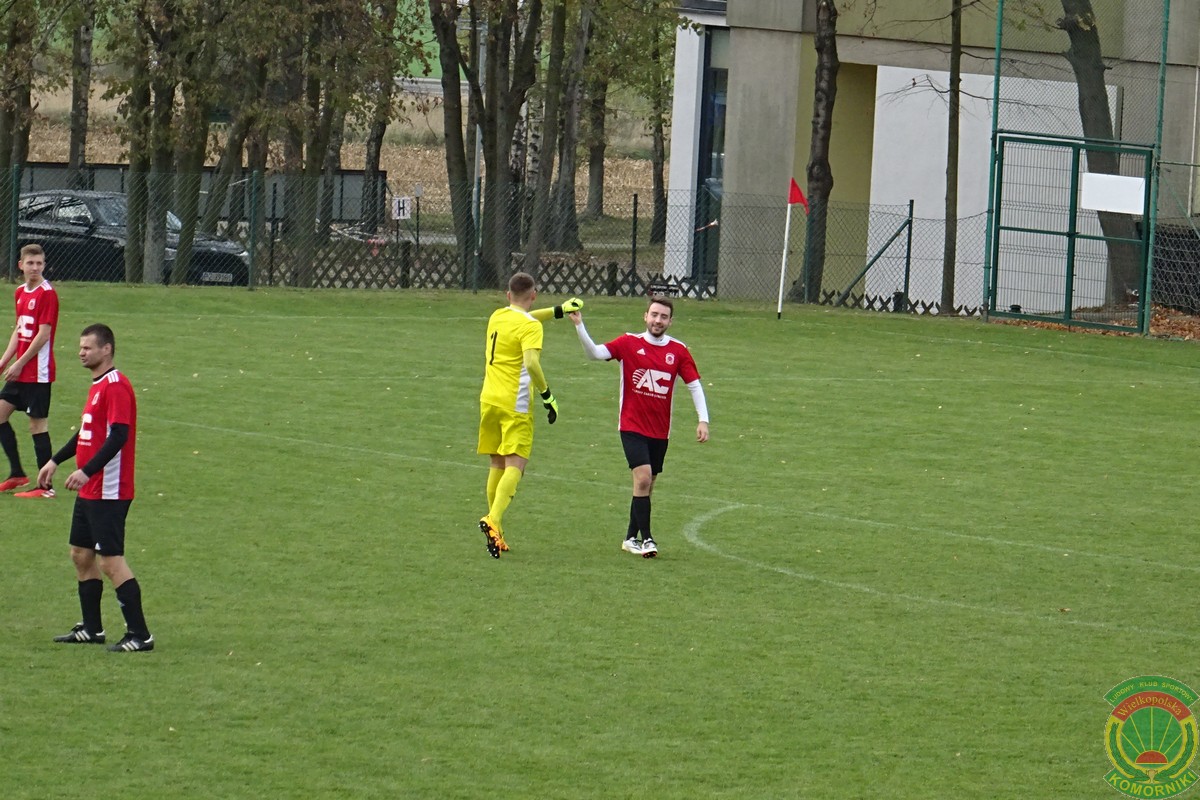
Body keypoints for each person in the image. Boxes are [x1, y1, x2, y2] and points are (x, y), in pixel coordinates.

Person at [38, 324, 154, 652]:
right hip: (91, 490)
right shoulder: (98, 385)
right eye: (80, 347)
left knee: (110, 562)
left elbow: (119, 436)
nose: (81, 352)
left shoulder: (116, 386)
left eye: (88, 347)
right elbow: (87, 433)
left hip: (109, 490)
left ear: (107, 349)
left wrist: (87, 471)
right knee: (80, 554)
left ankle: (140, 635)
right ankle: (92, 629)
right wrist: (55, 460)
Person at [569, 296, 709, 558]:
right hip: (631, 426)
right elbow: (595, 353)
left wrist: (703, 419)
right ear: (645, 316)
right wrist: (579, 325)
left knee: (646, 485)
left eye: (663, 316)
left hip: (660, 431)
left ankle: (630, 538)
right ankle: (648, 540)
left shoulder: (678, 350)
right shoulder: (628, 343)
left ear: (670, 321)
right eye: (654, 314)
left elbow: (694, 385)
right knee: (643, 478)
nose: (658, 320)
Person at [477, 272, 582, 559]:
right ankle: (493, 519)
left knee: (497, 462)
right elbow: (532, 362)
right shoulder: (530, 327)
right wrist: (548, 395)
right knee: (517, 463)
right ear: (534, 295)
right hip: (515, 403)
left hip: (489, 399)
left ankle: (497, 532)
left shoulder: (498, 316)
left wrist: (559, 310)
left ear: (507, 295)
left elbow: (526, 318)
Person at [0, 243, 59, 498]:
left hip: (38, 373)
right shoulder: (20, 292)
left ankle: (46, 488)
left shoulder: (47, 294)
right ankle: (16, 473)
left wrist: (19, 363)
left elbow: (43, 335)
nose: (35, 268)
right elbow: (20, 329)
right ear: (21, 265)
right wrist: (4, 361)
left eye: (39, 263)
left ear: (44, 265)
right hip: (20, 371)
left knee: (37, 426)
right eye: (30, 263)